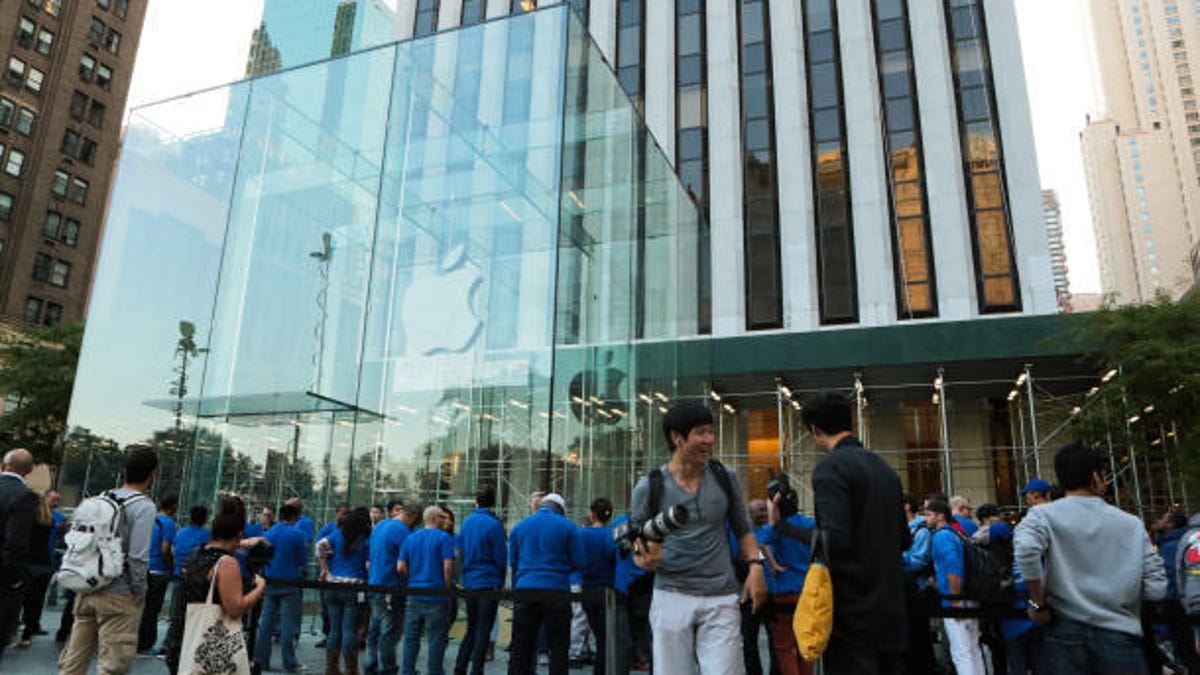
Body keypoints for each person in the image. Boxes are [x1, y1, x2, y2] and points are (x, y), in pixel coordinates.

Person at [629, 402, 767, 675]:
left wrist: (756, 566)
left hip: (722, 595)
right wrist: (646, 560)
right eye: (701, 433)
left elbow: (743, 529)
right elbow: (635, 541)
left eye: (711, 432)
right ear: (676, 438)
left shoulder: (723, 476)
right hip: (670, 594)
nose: (710, 440)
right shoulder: (650, 486)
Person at [1014, 443, 1167, 674]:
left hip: (1064, 629)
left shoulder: (1042, 515)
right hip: (1120, 630)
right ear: (1096, 477)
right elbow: (1157, 587)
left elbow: (1026, 551)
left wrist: (1038, 603)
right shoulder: (1130, 523)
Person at [803, 391, 907, 673]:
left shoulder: (829, 469)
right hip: (892, 610)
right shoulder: (886, 470)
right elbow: (904, 538)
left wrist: (785, 528)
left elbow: (834, 540)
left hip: (852, 614)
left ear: (815, 430)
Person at [59, 447, 159, 675]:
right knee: (113, 666)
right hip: (119, 594)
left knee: (72, 663)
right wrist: (139, 592)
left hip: (88, 588)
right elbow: (137, 557)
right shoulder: (143, 506)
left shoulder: (102, 497)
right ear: (152, 475)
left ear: (124, 471)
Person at [164, 498, 267, 675]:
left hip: (183, 640)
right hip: (209, 649)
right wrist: (259, 588)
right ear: (239, 535)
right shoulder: (226, 563)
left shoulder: (196, 554)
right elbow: (236, 608)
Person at [508, 493, 583, 675]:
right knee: (558, 646)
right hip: (557, 590)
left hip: (526, 588)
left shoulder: (520, 526)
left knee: (521, 645)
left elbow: (513, 562)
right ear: (561, 510)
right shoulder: (568, 527)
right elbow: (578, 561)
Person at [926, 499, 986, 674]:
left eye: (929, 514)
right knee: (973, 648)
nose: (926, 518)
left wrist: (954, 598)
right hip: (969, 596)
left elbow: (953, 567)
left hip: (955, 600)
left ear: (940, 516)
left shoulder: (941, 536)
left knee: (961, 652)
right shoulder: (955, 533)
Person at [454, 485, 507, 675]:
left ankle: (460, 667)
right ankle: (477, 669)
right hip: (488, 580)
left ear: (476, 500)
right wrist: (500, 582)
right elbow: (501, 557)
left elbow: (460, 550)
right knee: (484, 629)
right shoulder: (494, 525)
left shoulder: (467, 522)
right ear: (492, 502)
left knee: (472, 627)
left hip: (471, 580)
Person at [763, 487, 815, 675]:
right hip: (808, 592)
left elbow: (757, 541)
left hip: (786, 592)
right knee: (806, 645)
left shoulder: (776, 529)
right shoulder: (809, 524)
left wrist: (773, 564)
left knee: (785, 647)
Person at [399, 505, 455, 675]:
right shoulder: (444, 538)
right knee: (436, 640)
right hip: (436, 596)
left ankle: (407, 671)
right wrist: (446, 587)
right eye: (441, 517)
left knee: (411, 638)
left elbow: (400, 566)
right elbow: (448, 566)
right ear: (433, 519)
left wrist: (413, 578)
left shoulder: (410, 538)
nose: (445, 521)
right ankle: (434, 671)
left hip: (414, 594)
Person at [255, 502, 308, 673]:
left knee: (266, 623)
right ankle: (289, 662)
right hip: (290, 583)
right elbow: (302, 561)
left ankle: (261, 660)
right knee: (288, 624)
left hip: (270, 581)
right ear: (294, 517)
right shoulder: (297, 534)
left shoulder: (268, 533)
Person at [318, 506, 371, 675]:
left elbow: (319, 547)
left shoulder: (336, 535)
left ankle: (331, 668)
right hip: (354, 588)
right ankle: (351, 669)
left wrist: (325, 569)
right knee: (349, 631)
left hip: (333, 585)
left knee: (334, 629)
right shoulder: (365, 540)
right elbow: (369, 566)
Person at [365, 499, 410, 675]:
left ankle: (370, 664)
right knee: (389, 630)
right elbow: (404, 561)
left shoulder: (379, 527)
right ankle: (387, 668)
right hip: (390, 585)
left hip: (376, 583)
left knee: (376, 627)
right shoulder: (401, 530)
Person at [0, 448, 37, 663]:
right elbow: (16, 543)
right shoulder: (24, 496)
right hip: (5, 577)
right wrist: (16, 578)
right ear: (29, 470)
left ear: (4, 466)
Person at [576, 497, 616, 675]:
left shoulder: (581, 534)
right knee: (604, 638)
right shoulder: (612, 535)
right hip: (607, 589)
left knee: (597, 632)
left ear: (592, 515)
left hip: (586, 587)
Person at [138, 492, 178, 655]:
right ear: (173, 507)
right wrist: (171, 565)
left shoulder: (150, 520)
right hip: (159, 570)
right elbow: (165, 548)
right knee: (153, 608)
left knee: (143, 606)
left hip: (145, 567)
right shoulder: (169, 524)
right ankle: (146, 643)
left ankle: (137, 640)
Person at [612, 513, 652, 672]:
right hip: (647, 584)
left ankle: (624, 667)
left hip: (623, 585)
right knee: (650, 636)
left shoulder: (619, 522)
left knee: (622, 638)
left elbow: (611, 549)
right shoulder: (656, 520)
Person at [15, 492, 55, 648]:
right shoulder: (49, 520)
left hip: (28, 563)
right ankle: (27, 635)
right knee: (36, 602)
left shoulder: (28, 520)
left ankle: (13, 629)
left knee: (20, 600)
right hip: (44, 564)